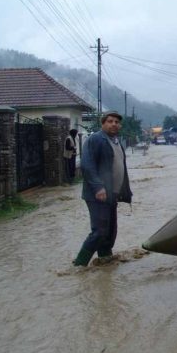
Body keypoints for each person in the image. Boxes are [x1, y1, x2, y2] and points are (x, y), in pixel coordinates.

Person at [72, 111, 132, 266]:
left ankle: (105, 259)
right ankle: (79, 265)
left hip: (112, 194)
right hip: (97, 194)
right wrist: (98, 187)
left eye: (117, 122)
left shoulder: (116, 141)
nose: (114, 124)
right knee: (99, 231)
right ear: (103, 123)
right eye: (110, 121)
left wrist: (124, 191)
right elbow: (87, 165)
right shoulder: (96, 139)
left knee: (110, 230)